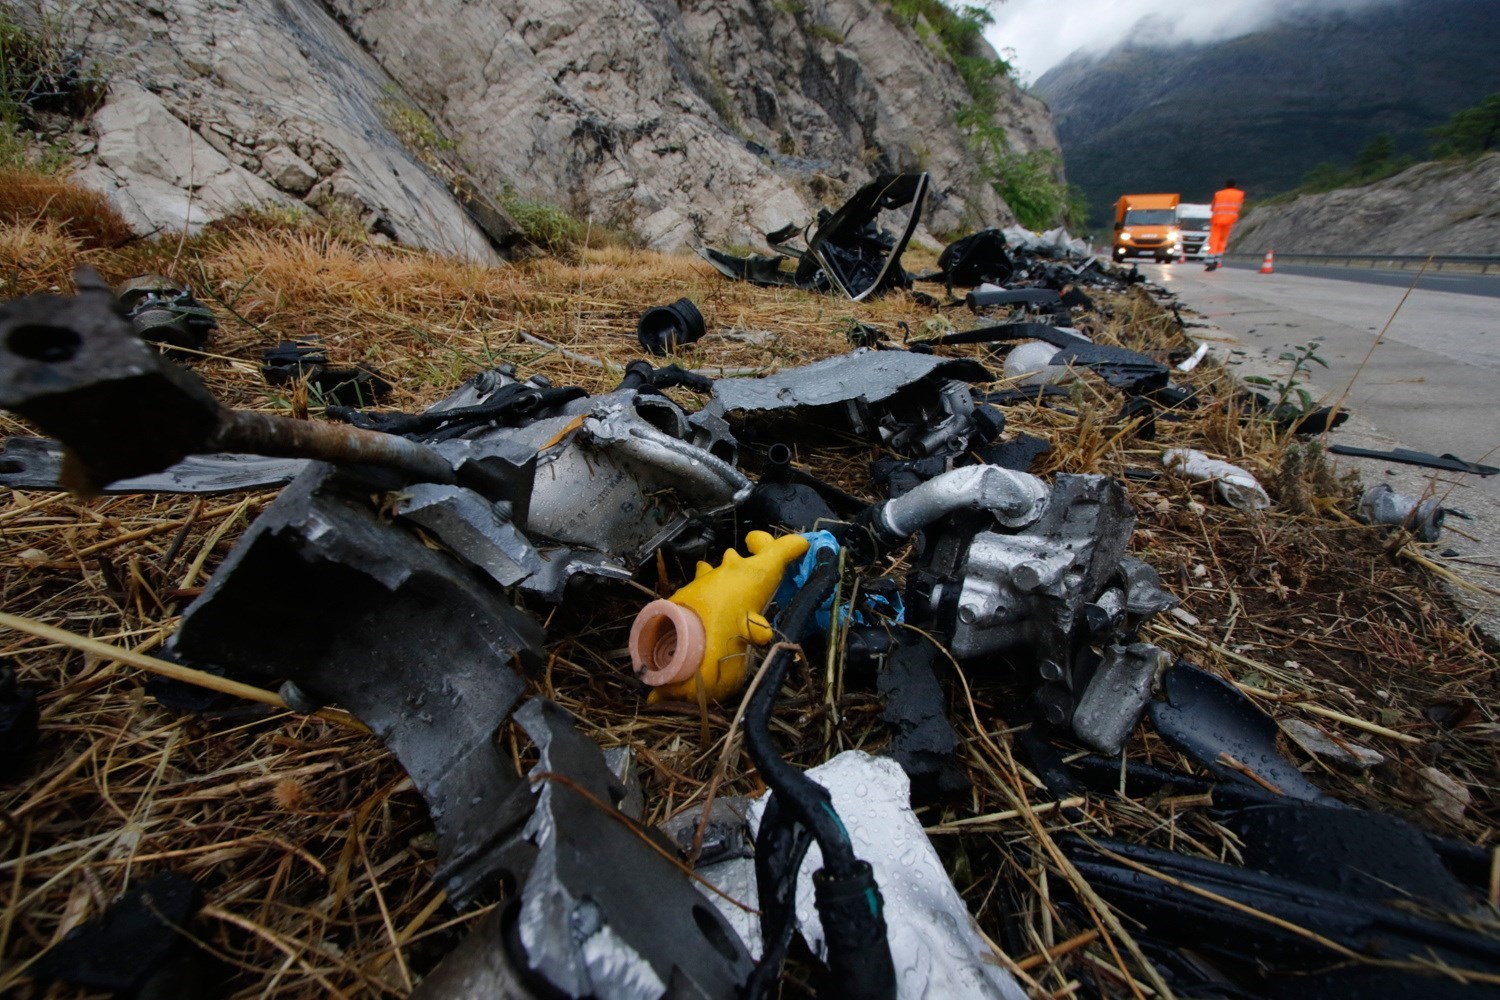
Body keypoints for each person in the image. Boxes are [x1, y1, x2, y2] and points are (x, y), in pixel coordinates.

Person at [1204, 179, 1244, 271]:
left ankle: (1210, 261)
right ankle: (1217, 260)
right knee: (1222, 240)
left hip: (1217, 220)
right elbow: (1239, 207)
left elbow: (1213, 208)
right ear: (1235, 185)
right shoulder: (1240, 194)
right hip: (1230, 220)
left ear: (1226, 185)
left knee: (1214, 240)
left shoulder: (1218, 194)